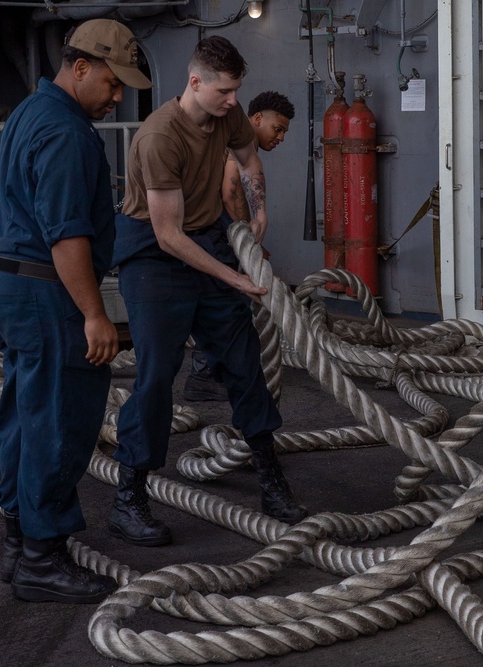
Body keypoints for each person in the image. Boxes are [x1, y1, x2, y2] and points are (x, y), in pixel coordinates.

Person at [0, 18, 152, 603]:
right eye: (112, 82)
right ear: (80, 67)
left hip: (5, 283)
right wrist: (95, 315)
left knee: (24, 417)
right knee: (58, 422)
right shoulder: (69, 134)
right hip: (45, 293)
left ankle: (18, 539)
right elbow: (67, 238)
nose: (119, 96)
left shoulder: (31, 110)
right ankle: (41, 559)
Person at [110, 36, 307, 545]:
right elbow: (168, 235)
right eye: (224, 90)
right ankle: (128, 498)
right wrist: (233, 276)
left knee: (245, 364)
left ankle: (271, 482)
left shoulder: (228, 115)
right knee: (156, 374)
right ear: (194, 82)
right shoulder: (159, 137)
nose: (233, 101)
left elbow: (248, 158)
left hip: (207, 238)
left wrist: (259, 212)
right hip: (155, 256)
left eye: (236, 90)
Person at [184, 90, 296, 403]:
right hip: (213, 236)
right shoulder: (239, 144)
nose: (281, 137)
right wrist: (246, 247)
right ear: (257, 119)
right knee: (227, 309)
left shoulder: (234, 143)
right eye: (278, 128)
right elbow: (230, 195)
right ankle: (205, 376)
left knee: (226, 308)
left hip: (215, 234)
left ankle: (208, 374)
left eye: (285, 132)